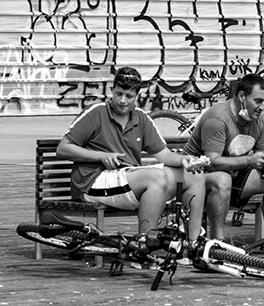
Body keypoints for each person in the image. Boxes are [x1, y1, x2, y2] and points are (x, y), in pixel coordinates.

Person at [58, 65, 208, 242]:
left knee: (195, 176)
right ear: (112, 90)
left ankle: (193, 244)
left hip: (125, 179)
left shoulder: (141, 118)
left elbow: (164, 156)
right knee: (156, 177)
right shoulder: (96, 112)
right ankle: (145, 245)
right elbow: (62, 148)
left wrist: (185, 160)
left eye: (129, 96)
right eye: (119, 94)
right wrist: (101, 156)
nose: (122, 100)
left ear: (137, 97)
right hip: (92, 181)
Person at [184, 73, 264, 240]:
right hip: (196, 176)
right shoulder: (218, 118)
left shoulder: (261, 119)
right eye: (258, 101)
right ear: (242, 96)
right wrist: (248, 160)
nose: (263, 107)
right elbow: (211, 163)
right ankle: (217, 241)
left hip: (232, 174)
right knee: (222, 179)